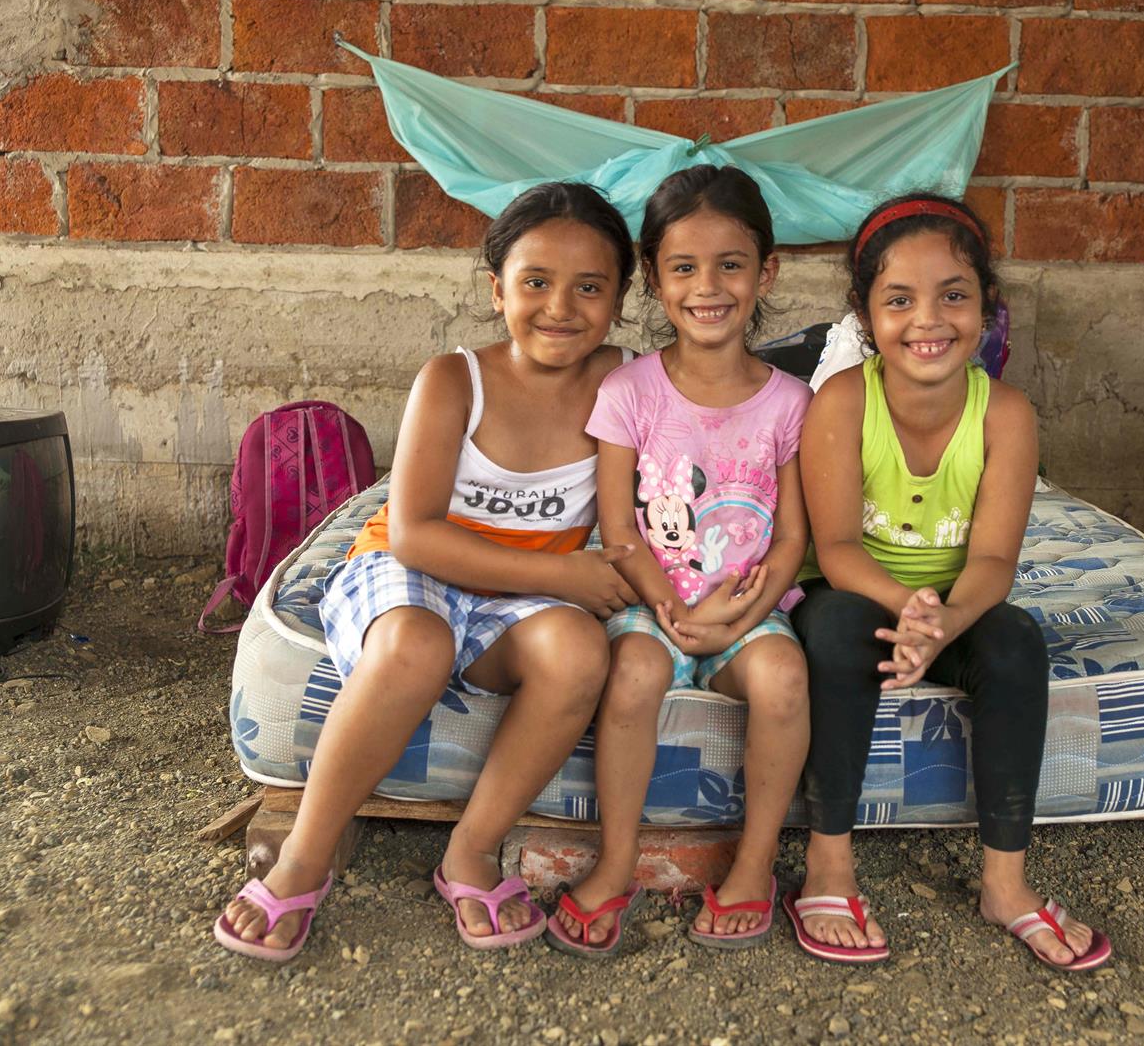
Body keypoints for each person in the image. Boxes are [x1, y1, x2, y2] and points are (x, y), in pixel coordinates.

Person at [214, 182, 640, 961]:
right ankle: (305, 856)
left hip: (524, 599)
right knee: (416, 647)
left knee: (580, 653)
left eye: (591, 286)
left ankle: (471, 851)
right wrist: (565, 576)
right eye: (535, 282)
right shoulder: (454, 379)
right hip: (415, 568)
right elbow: (414, 534)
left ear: (619, 297)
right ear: (496, 289)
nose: (561, 306)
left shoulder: (625, 383)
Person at [788, 193, 1112, 970]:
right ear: (866, 315)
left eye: (954, 296)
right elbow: (833, 547)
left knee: (1018, 645)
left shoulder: (1005, 414)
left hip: (956, 603)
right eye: (899, 299)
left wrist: (943, 621)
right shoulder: (840, 401)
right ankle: (828, 865)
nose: (927, 321)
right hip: (858, 592)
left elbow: (995, 561)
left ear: (987, 308)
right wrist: (907, 610)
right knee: (832, 632)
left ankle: (1006, 881)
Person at [547, 165, 812, 957]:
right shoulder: (631, 391)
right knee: (629, 675)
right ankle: (617, 860)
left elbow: (793, 537)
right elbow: (619, 528)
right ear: (654, 278)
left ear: (766, 271)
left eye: (731, 264)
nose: (708, 287)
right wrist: (672, 610)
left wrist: (738, 612)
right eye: (683, 267)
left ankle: (754, 865)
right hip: (648, 600)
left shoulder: (790, 403)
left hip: (745, 608)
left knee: (786, 681)